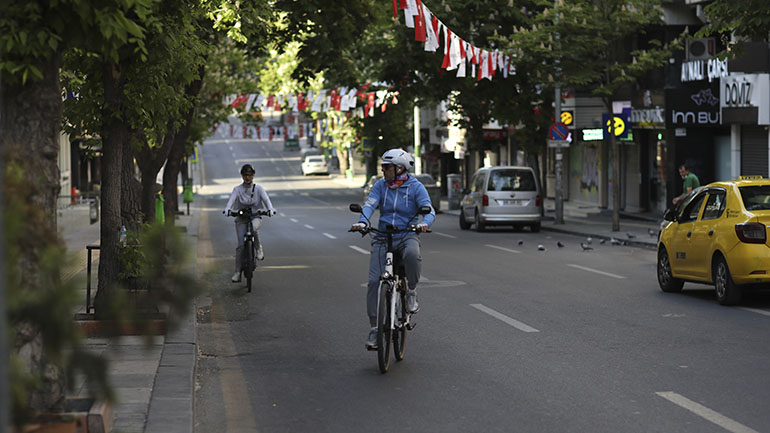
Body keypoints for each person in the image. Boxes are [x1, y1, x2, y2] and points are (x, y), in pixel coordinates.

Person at [350, 149, 436, 350]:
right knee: (373, 282)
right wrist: (362, 222)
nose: (383, 171)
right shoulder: (380, 186)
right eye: (382, 167)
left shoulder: (416, 187)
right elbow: (370, 205)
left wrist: (425, 223)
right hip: (382, 237)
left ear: (400, 168)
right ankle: (374, 330)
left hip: (407, 234)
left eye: (387, 167)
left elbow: (429, 209)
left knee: (412, 254)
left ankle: (411, 292)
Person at [225, 164, 276, 283]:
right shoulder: (237, 189)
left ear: (253, 176)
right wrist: (228, 210)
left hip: (255, 217)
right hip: (241, 219)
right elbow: (230, 202)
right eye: (245, 175)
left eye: (250, 175)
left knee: (253, 228)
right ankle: (237, 272)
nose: (247, 177)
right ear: (242, 176)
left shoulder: (259, 189)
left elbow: (267, 200)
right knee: (240, 245)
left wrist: (270, 210)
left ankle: (258, 248)